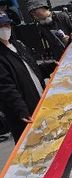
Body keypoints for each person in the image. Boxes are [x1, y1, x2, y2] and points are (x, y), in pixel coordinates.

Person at [0, 13, 45, 142]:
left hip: (39, 99)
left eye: (7, 25)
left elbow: (33, 68)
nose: (4, 28)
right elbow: (6, 87)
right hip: (24, 111)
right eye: (0, 26)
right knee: (32, 143)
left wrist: (53, 66)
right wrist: (21, 109)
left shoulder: (17, 45)